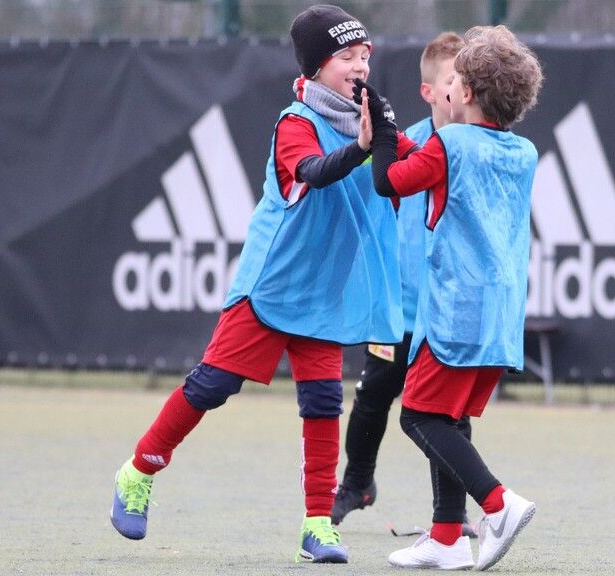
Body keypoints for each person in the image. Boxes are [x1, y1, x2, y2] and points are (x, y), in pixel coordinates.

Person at [108, 4, 416, 564]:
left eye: (365, 55)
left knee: (324, 403)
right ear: (318, 66)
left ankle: (318, 525)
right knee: (210, 388)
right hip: (270, 290)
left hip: (325, 296)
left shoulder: (374, 120)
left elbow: (409, 173)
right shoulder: (294, 123)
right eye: (346, 56)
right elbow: (315, 173)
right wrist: (366, 147)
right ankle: (138, 470)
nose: (360, 65)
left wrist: (419, 148)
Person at [355, 24, 543, 571]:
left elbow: (390, 181)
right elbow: (441, 165)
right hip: (501, 315)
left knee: (418, 416)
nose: (446, 88)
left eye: (455, 80)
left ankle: (498, 505)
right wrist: (401, 135)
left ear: (464, 94)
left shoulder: (451, 143)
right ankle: (446, 538)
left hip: (456, 309)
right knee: (450, 416)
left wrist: (384, 135)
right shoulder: (522, 150)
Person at [330, 32, 477, 540]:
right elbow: (372, 200)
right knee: (372, 395)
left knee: (447, 415)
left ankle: (451, 520)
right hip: (399, 309)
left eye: (470, 81)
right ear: (429, 91)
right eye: (455, 81)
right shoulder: (399, 146)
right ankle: (357, 484)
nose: (466, 90)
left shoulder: (474, 149)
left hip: (446, 313)